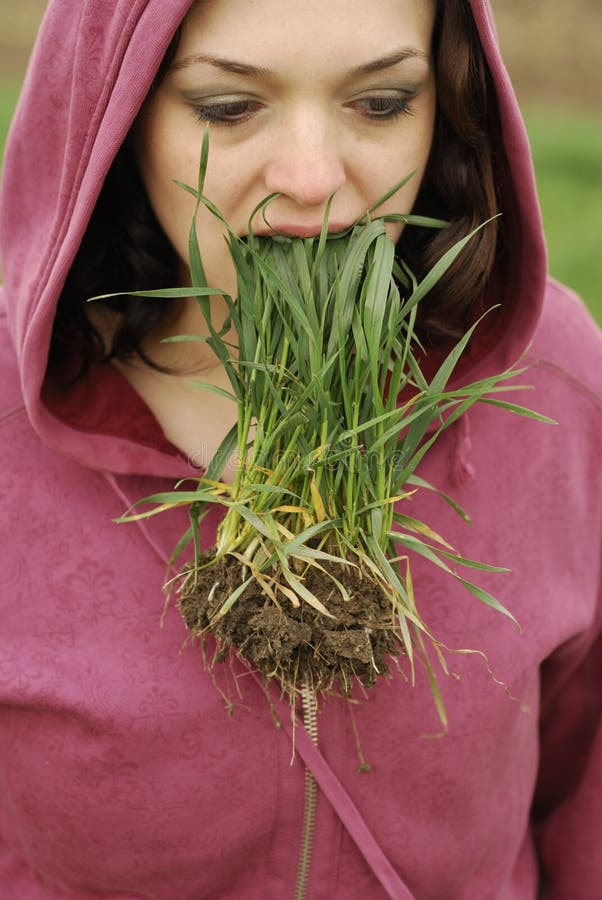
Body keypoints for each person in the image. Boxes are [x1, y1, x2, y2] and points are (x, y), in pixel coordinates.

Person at [0, 0, 600, 897]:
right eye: (228, 108)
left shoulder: (552, 378)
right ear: (115, 116)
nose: (315, 180)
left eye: (384, 102)